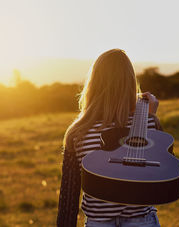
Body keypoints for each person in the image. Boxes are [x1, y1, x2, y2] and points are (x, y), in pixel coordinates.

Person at [57, 49, 163, 227]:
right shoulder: (149, 123)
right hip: (141, 221)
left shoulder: (77, 133)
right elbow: (161, 178)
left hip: (99, 222)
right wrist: (148, 117)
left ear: (93, 84)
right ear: (130, 82)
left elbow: (69, 197)